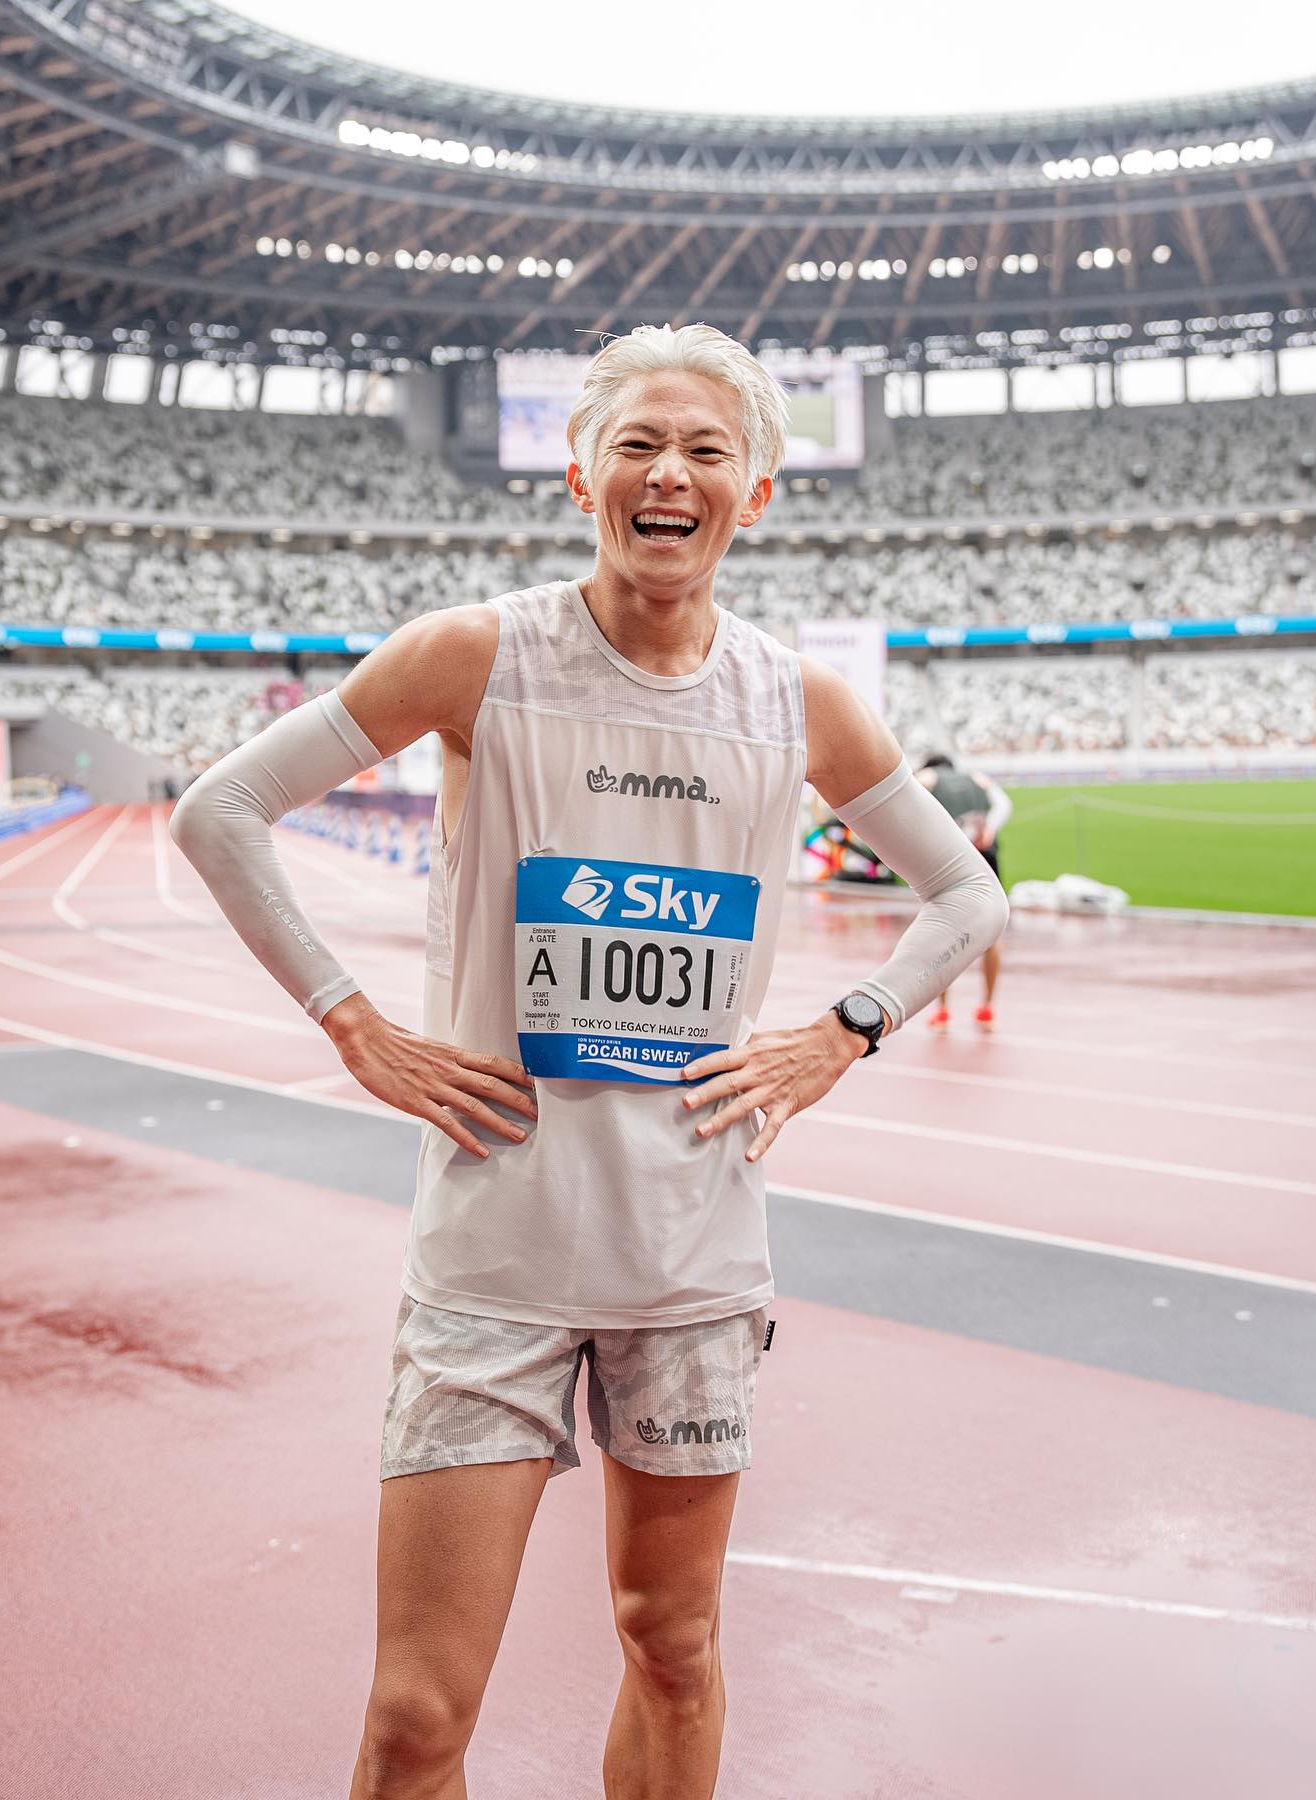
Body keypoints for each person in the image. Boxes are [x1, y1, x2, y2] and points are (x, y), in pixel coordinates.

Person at [171, 322, 1008, 1800]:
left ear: (755, 494)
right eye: (638, 444)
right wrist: (352, 1022)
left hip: (691, 1261)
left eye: (705, 451)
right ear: (581, 478)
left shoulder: (798, 702)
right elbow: (221, 811)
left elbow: (967, 894)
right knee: (417, 1717)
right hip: (492, 1257)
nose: (669, 473)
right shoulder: (474, 656)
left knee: (671, 1645)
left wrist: (843, 1033)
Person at [916, 752, 1011, 1030]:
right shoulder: (975, 778)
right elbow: (1004, 803)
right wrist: (989, 828)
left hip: (950, 859)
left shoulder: (928, 777)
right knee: (993, 933)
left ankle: (943, 1011)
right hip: (985, 858)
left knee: (944, 933)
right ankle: (987, 1008)